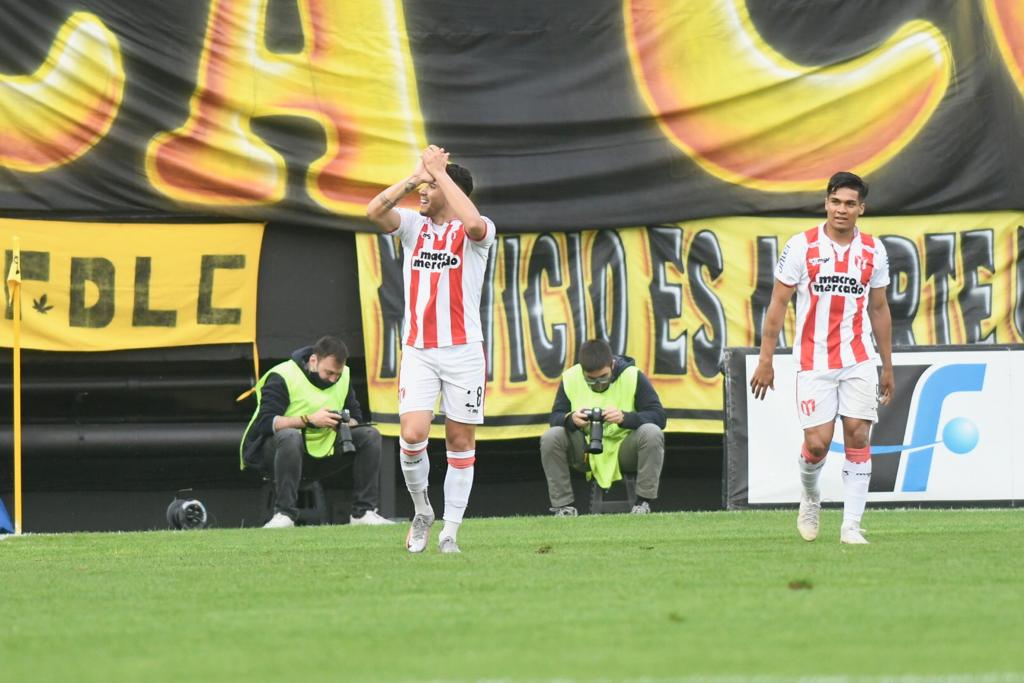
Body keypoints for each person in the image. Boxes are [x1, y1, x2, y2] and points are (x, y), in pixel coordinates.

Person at [750, 171, 894, 545]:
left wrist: (887, 365)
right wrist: (766, 359)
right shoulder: (802, 246)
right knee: (816, 443)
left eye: (850, 204)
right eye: (835, 202)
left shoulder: (873, 251)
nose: (841, 210)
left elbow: (879, 309)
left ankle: (851, 526)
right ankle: (811, 497)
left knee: (858, 434)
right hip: (813, 361)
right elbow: (778, 303)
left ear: (861, 208)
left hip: (858, 358)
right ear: (826, 203)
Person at [366, 145, 496, 554]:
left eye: (429, 187)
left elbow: (473, 223)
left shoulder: (477, 231)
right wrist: (417, 175)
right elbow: (373, 211)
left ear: (449, 188)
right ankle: (423, 511)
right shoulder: (411, 226)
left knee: (459, 440)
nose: (420, 192)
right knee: (413, 434)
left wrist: (440, 174)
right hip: (420, 349)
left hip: (463, 352)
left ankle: (450, 533)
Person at [240, 336, 394, 528]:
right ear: (313, 361)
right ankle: (284, 514)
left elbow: (356, 418)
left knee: (370, 435)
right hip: (277, 453)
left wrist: (343, 422)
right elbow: (265, 423)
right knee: (290, 436)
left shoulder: (343, 376)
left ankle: (363, 513)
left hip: (323, 451)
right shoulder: (283, 375)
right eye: (328, 372)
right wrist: (309, 420)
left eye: (336, 375)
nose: (333, 379)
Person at [540, 339, 666, 516]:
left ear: (612, 365)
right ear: (582, 371)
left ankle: (643, 503)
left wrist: (625, 418)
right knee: (551, 436)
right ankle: (563, 507)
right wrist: (571, 419)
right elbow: (554, 418)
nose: (598, 383)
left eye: (603, 377)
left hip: (624, 449)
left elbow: (659, 417)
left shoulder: (632, 375)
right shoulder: (570, 377)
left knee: (652, 433)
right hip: (585, 451)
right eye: (590, 380)